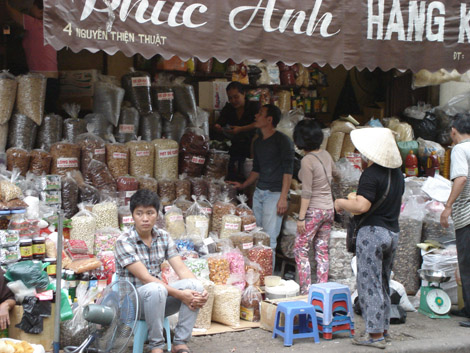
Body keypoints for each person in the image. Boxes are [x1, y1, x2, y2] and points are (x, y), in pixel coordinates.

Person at [334, 127, 404, 349]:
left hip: (372, 234)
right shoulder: (398, 173)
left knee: (368, 284)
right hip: (392, 232)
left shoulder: (371, 175)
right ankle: (383, 329)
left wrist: (340, 203)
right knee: (383, 282)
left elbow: (362, 205)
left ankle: (374, 336)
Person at [114, 189, 208, 353]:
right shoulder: (124, 241)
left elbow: (182, 269)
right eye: (139, 213)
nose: (145, 219)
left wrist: (201, 290)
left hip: (158, 301)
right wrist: (180, 294)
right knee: (156, 288)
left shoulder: (163, 236)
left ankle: (180, 343)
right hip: (133, 305)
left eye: (150, 213)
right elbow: (145, 278)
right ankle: (156, 346)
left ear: (157, 214)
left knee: (194, 287)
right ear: (132, 215)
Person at [230, 104, 294, 267]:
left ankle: (267, 278)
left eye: (260, 113)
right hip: (259, 193)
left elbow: (288, 171)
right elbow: (257, 169)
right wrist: (243, 185)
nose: (256, 116)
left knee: (269, 240)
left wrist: (283, 198)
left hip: (275, 195)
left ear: (269, 119)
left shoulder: (283, 141)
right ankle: (257, 274)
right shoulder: (258, 142)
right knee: (256, 236)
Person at [292, 119, 338, 295]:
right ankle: (322, 289)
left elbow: (307, 192)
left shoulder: (307, 160)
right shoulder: (326, 154)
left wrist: (301, 217)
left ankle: (306, 291)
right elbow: (337, 174)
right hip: (328, 210)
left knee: (300, 250)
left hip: (314, 211)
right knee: (321, 250)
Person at [440, 113, 470, 328]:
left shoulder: (460, 149)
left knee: (467, 264)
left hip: (467, 216)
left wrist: (448, 205)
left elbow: (461, 178)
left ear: (453, 130)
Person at [6, 0, 59, 113]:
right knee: (48, 117)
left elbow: (13, 14)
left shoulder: (35, 25)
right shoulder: (49, 28)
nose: (29, 9)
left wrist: (5, 4)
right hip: (50, 80)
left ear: (40, 11)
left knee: (40, 116)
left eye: (32, 6)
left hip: (42, 81)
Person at [214, 82, 259, 180]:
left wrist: (241, 129)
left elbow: (258, 123)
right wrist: (218, 127)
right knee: (231, 174)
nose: (233, 101)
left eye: (236, 97)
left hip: (252, 146)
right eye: (230, 98)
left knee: (247, 174)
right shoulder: (229, 108)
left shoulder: (254, 106)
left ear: (243, 94)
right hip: (236, 145)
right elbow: (221, 121)